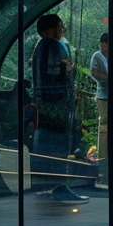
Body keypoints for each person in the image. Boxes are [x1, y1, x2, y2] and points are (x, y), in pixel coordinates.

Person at [31, 13, 82, 200]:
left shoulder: (39, 47)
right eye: (61, 26)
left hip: (44, 107)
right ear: (53, 28)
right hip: (56, 107)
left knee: (44, 143)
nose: (62, 30)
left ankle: (45, 184)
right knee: (58, 145)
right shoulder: (54, 46)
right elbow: (60, 73)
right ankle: (57, 185)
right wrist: (70, 70)